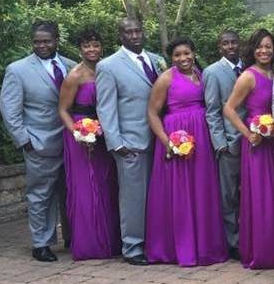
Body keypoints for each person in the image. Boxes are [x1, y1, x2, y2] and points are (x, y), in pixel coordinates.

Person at [144, 37, 228, 266]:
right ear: (171, 58)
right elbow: (152, 113)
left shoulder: (202, 74)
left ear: (194, 53)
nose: (183, 58)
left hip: (201, 136)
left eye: (187, 53)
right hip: (177, 137)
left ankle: (205, 246)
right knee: (180, 191)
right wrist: (167, 142)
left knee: (202, 189)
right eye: (177, 55)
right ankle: (181, 247)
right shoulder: (166, 78)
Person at [0, 21, 75, 262]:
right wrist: (24, 140)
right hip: (39, 143)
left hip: (73, 142)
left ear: (56, 40)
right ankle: (41, 243)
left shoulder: (72, 67)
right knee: (41, 195)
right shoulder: (18, 69)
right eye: (37, 41)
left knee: (72, 192)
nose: (42, 45)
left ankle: (74, 237)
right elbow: (9, 109)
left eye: (47, 41)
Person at [224, 29, 274, 269]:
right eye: (259, 47)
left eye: (268, 47)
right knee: (262, 197)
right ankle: (262, 251)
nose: (264, 51)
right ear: (252, 50)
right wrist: (248, 133)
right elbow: (229, 108)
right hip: (258, 146)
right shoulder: (248, 76)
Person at [95, 17, 160, 266]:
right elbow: (106, 107)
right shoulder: (108, 66)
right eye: (128, 32)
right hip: (131, 143)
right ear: (120, 35)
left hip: (161, 140)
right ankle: (132, 247)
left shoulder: (156, 60)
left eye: (137, 30)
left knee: (156, 196)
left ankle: (155, 242)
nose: (134, 35)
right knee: (133, 197)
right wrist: (116, 142)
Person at [58, 28, 120, 260]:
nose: (91, 49)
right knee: (87, 189)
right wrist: (78, 133)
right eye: (86, 46)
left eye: (95, 44)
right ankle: (91, 245)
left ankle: (113, 241)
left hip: (105, 132)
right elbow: (63, 110)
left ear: (101, 46)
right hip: (81, 134)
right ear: (80, 49)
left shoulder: (108, 69)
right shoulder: (75, 75)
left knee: (108, 186)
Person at [203, 30, 244, 260]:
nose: (230, 47)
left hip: (254, 138)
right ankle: (233, 241)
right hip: (229, 143)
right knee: (229, 195)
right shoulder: (212, 72)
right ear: (220, 47)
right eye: (225, 43)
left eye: (234, 42)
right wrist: (220, 143)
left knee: (248, 192)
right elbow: (212, 111)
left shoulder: (249, 66)